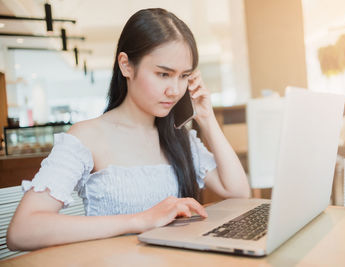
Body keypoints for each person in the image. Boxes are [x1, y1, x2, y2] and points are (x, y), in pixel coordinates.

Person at [7, 8, 250, 251]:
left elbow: (238, 193)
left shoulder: (180, 138)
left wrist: (207, 119)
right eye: (163, 74)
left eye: (183, 76)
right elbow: (23, 231)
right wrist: (139, 220)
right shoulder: (86, 137)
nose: (175, 90)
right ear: (126, 66)